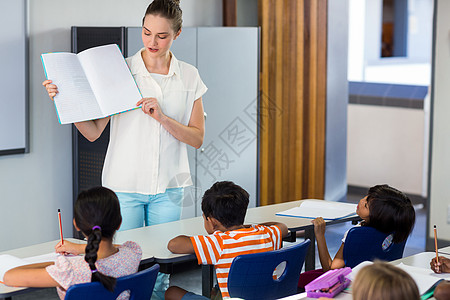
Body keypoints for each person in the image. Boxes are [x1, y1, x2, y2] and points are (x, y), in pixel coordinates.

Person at [43, 1, 206, 297]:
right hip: (123, 187)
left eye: (161, 36)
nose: (152, 42)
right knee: (121, 267)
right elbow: (93, 133)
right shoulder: (122, 71)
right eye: (146, 33)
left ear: (177, 34)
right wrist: (63, 101)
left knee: (162, 270)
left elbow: (197, 138)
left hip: (169, 187)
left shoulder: (190, 75)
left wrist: (162, 117)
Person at [3, 186, 142, 300]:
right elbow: (116, 248)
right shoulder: (133, 253)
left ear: (76, 224)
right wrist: (79, 248)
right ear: (119, 223)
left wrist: (56, 263)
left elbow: (9, 277)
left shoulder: (69, 271)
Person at [164, 181, 289, 300]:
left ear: (212, 222)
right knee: (218, 288)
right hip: (267, 296)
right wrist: (248, 227)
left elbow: (173, 245)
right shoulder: (266, 234)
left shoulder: (218, 243)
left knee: (172, 292)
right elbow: (282, 226)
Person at [298, 184, 416, 288]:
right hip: (380, 281)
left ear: (376, 217)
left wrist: (320, 235)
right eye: (366, 197)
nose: (361, 201)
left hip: (350, 284)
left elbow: (330, 270)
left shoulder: (355, 234)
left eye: (366, 205)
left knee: (300, 279)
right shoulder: (399, 229)